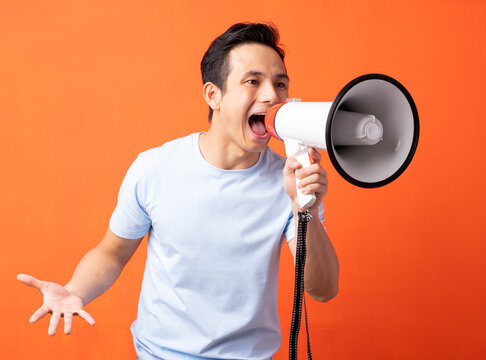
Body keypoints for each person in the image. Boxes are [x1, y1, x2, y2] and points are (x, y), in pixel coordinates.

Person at [17, 22, 339, 360]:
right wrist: (74, 292)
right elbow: (112, 253)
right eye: (253, 81)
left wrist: (303, 209)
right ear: (213, 95)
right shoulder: (154, 167)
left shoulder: (289, 179)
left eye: (280, 83)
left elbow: (323, 289)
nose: (273, 95)